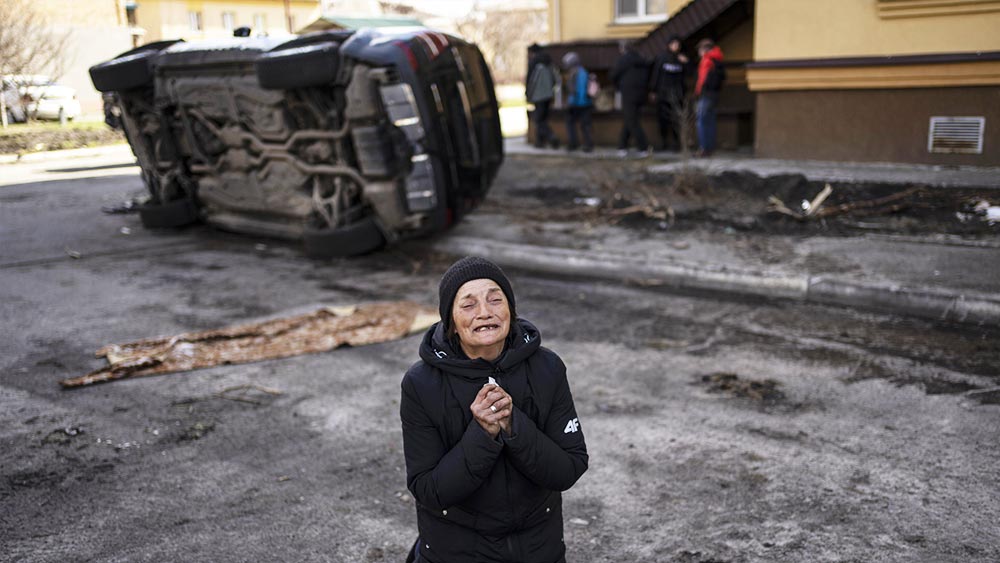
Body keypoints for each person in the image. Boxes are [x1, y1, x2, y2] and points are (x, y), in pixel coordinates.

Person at [400, 256, 589, 563]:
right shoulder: (421, 384)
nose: (485, 312)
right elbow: (429, 491)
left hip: (538, 545)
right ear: (451, 322)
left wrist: (514, 425)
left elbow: (569, 468)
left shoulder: (547, 367)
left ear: (510, 311)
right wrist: (483, 434)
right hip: (457, 550)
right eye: (468, 304)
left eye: (495, 300)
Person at [610, 40, 651, 158]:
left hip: (629, 93)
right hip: (641, 94)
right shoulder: (642, 59)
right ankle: (622, 146)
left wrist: (618, 86)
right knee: (630, 119)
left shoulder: (623, 60)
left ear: (623, 49)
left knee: (632, 121)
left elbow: (613, 75)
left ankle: (643, 147)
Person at [649, 35, 689, 152]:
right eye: (673, 44)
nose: (675, 47)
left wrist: (686, 63)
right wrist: (653, 90)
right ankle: (663, 142)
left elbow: (689, 74)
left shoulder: (682, 59)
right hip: (663, 94)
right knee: (662, 120)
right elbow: (655, 75)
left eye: (677, 45)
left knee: (676, 120)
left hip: (677, 95)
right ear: (669, 45)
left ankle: (677, 144)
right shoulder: (662, 58)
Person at [694, 38, 725, 157]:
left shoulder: (707, 60)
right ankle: (710, 148)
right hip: (714, 95)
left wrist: (698, 91)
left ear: (704, 50)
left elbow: (703, 79)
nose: (698, 52)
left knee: (701, 122)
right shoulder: (718, 59)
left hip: (706, 94)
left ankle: (703, 149)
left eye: (699, 50)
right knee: (710, 121)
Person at [526, 45, 560, 149]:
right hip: (548, 95)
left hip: (538, 96)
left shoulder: (533, 64)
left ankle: (551, 137)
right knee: (543, 119)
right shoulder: (549, 63)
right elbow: (556, 78)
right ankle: (540, 142)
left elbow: (530, 80)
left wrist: (528, 94)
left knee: (539, 120)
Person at [561, 51, 593, 153]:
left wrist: (570, 102)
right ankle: (588, 144)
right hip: (586, 103)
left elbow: (573, 90)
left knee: (570, 123)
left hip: (576, 103)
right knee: (585, 126)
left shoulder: (573, 73)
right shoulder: (584, 72)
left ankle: (573, 143)